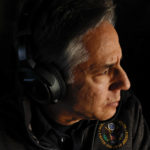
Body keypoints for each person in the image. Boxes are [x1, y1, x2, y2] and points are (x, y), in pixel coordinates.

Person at [0, 0, 150, 149]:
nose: (125, 83)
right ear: (52, 81)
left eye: (119, 63)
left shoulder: (128, 114)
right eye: (105, 71)